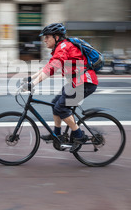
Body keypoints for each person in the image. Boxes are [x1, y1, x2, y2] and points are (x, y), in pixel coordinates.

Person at [27, 23, 98, 153]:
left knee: (61, 107)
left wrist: (34, 84)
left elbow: (51, 69)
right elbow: (47, 67)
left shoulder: (64, 46)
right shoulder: (60, 48)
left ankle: (79, 135)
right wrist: (31, 79)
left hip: (85, 82)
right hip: (76, 82)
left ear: (57, 37)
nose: (45, 40)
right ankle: (57, 135)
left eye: (47, 37)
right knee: (55, 103)